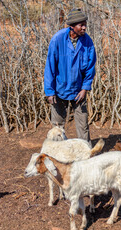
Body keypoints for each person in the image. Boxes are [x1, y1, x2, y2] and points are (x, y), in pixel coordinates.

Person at [44, 8, 96, 144]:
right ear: (72, 27)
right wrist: (50, 92)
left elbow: (90, 68)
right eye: (81, 25)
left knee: (83, 126)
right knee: (57, 127)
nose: (84, 27)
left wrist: (85, 88)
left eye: (85, 24)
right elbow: (50, 67)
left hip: (79, 90)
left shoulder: (87, 42)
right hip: (59, 89)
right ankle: (57, 153)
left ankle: (86, 155)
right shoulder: (57, 39)